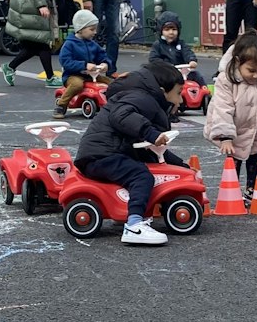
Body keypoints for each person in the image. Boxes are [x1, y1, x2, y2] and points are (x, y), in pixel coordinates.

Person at [73, 60, 187, 246]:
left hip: (104, 152)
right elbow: (121, 116)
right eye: (178, 93)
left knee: (144, 168)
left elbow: (152, 150)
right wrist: (151, 133)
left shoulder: (142, 98)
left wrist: (179, 165)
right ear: (162, 90)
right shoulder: (143, 99)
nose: (181, 100)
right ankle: (134, 225)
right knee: (142, 176)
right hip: (103, 154)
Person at [205, 31, 257, 207]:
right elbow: (222, 108)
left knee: (254, 159)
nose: (256, 75)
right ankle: (230, 192)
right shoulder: (226, 80)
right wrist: (225, 136)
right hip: (232, 128)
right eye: (251, 70)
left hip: (255, 129)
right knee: (232, 161)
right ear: (237, 63)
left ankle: (252, 191)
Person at [56, 9, 112, 117]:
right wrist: (84, 65)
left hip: (91, 75)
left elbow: (102, 55)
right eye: (92, 29)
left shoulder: (92, 44)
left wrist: (105, 64)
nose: (95, 32)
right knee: (77, 85)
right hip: (72, 75)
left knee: (110, 83)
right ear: (81, 29)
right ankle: (61, 105)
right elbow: (65, 62)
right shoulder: (69, 44)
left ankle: (113, 103)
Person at [148, 12, 203, 85]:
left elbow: (188, 53)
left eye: (174, 29)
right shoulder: (158, 45)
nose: (171, 32)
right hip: (165, 73)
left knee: (196, 75)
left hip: (181, 72)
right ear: (161, 31)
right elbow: (153, 59)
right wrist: (168, 66)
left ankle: (205, 93)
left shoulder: (181, 44)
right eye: (167, 30)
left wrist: (192, 60)